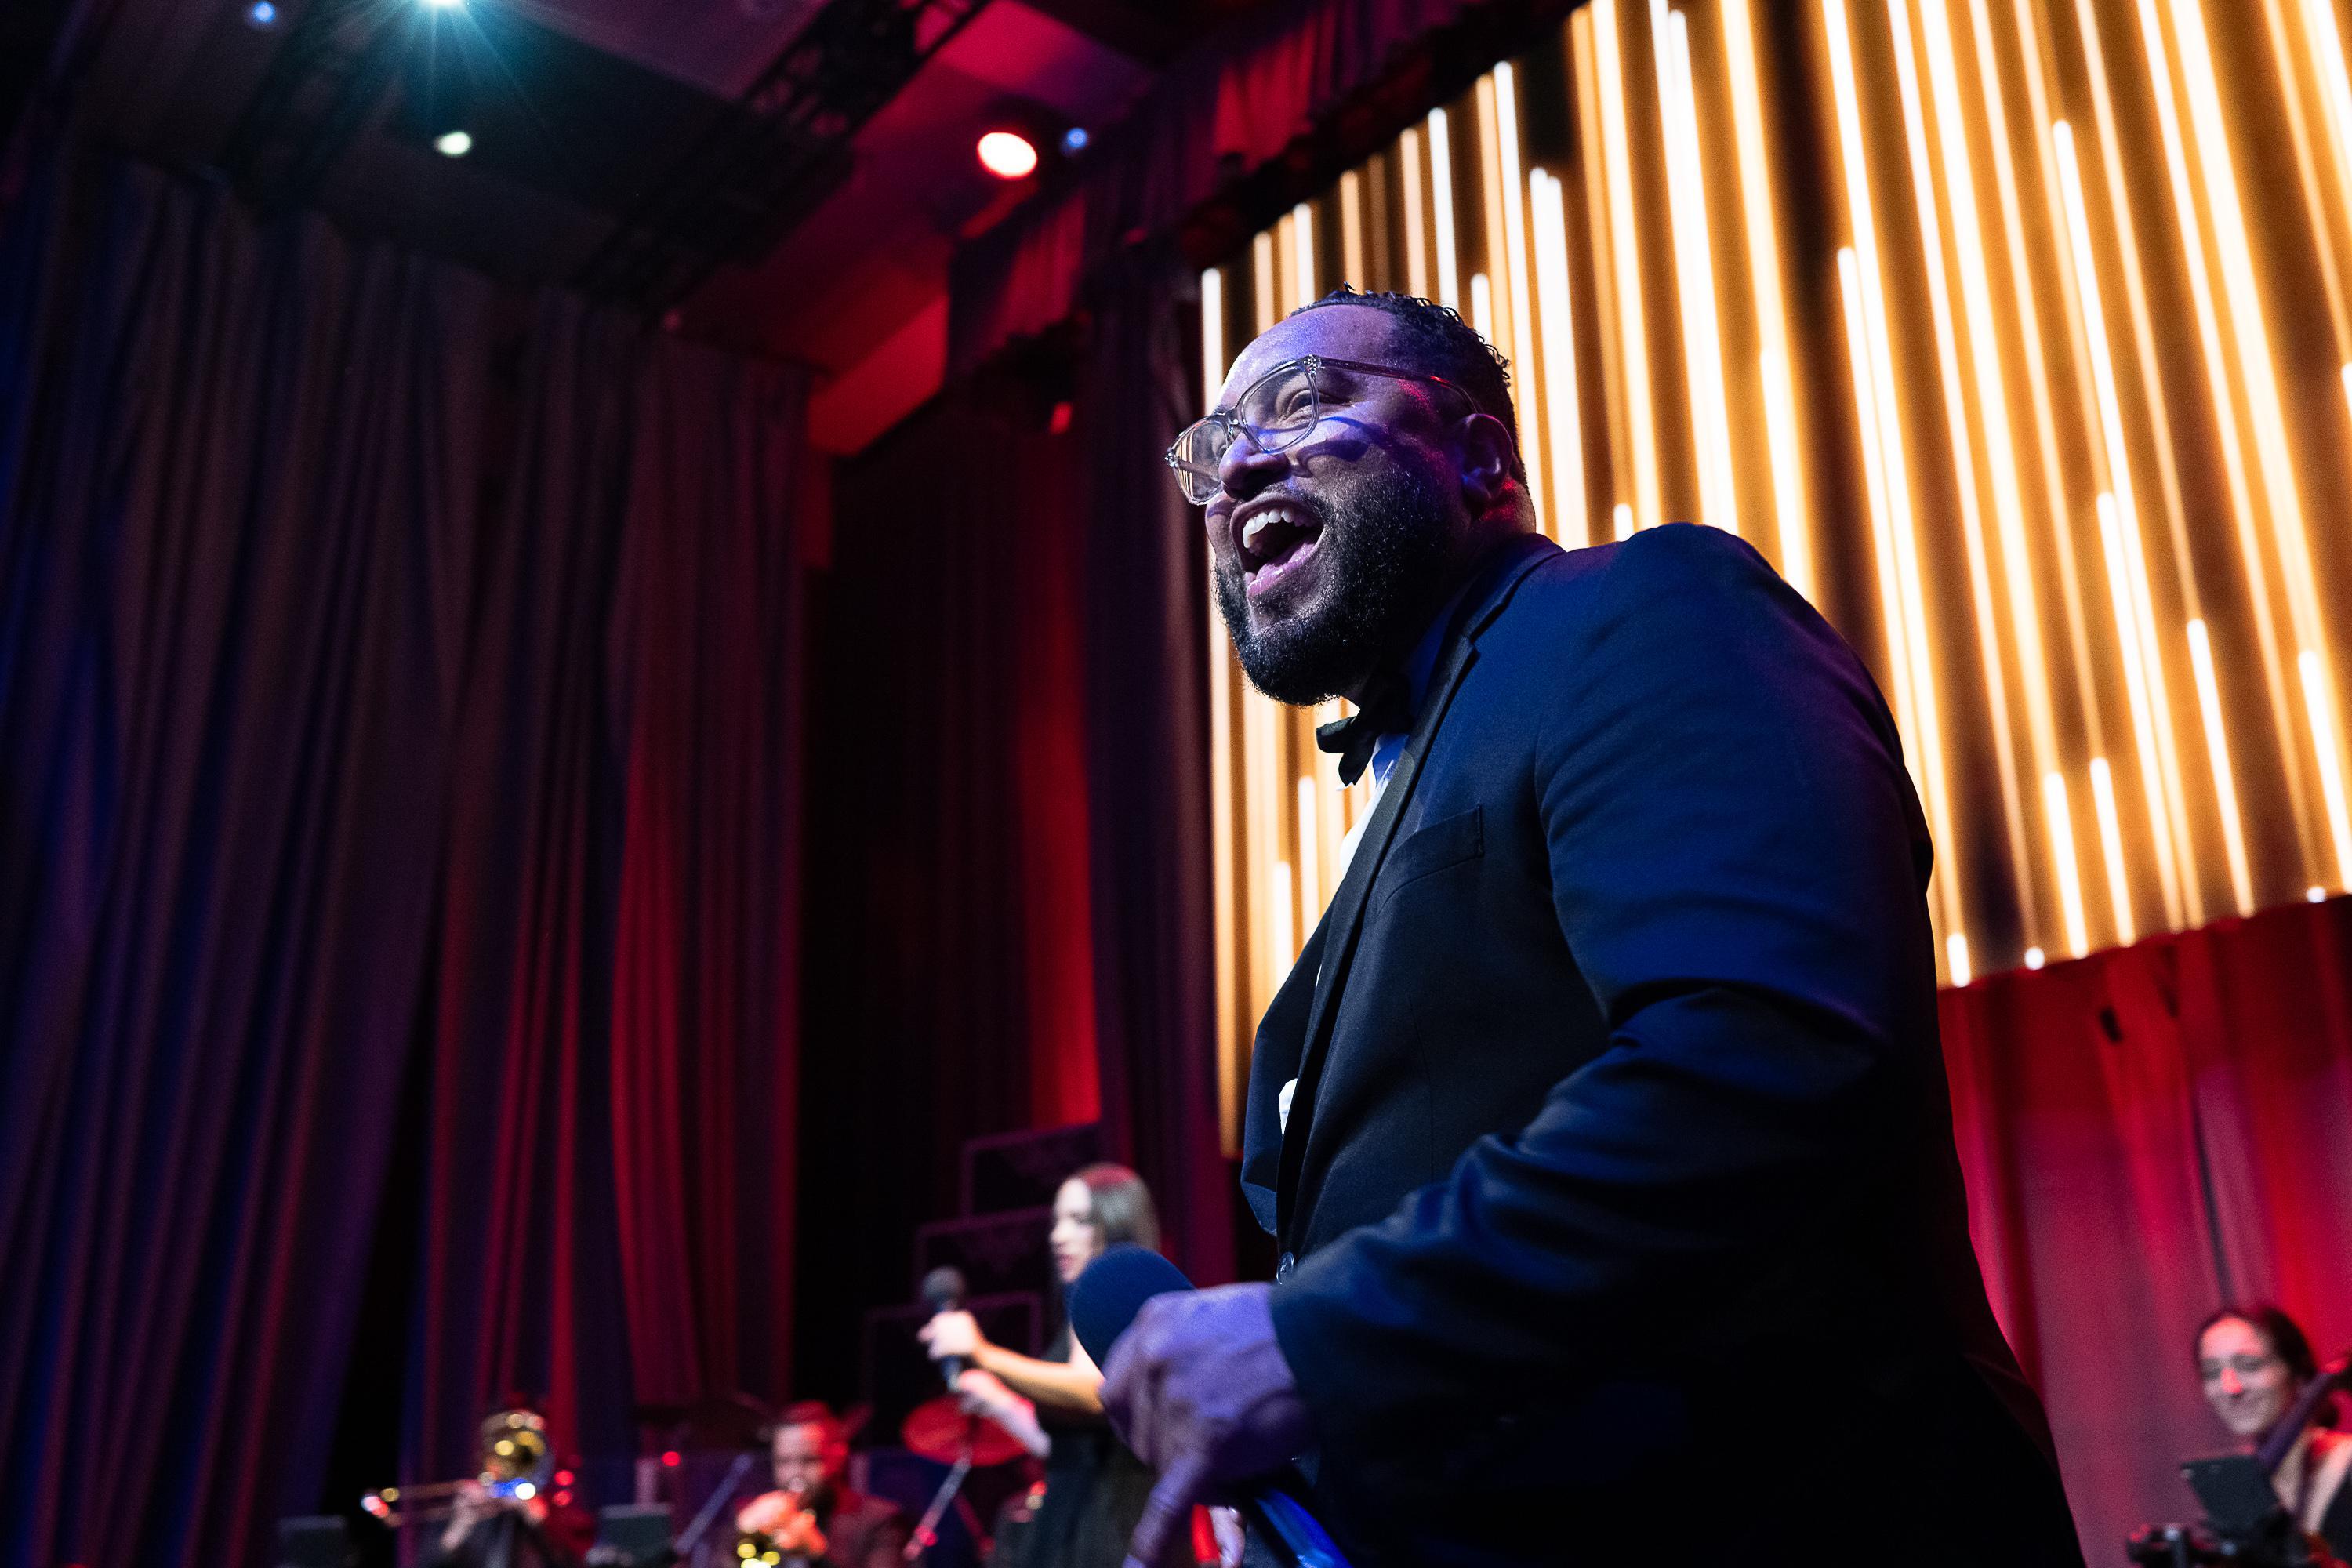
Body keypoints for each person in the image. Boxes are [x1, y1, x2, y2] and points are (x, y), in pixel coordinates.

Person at [1097, 286, 2085, 1566]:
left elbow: (1766, 1056)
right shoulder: (1426, 756)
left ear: (1481, 456)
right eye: (1217, 447)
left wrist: (1322, 1341)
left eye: (1307, 401)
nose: (1242, 468)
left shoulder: (1642, 607)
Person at [920, 1165, 1163, 1567]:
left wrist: (983, 1353)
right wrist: (1000, 1403)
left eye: (1079, 1220)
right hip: (1073, 1516)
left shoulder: (1120, 1302)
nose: (1057, 1236)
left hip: (1112, 1525)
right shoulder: (1079, 1313)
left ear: (1118, 1223)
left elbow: (1095, 1391)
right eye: (1056, 1221)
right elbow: (1069, 1448)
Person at [2199, 1305, 2352, 1553]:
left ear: (2297, 1373)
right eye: (2212, 1373)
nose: (2231, 1387)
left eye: (2249, 1365)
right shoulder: (2237, 1487)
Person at [731, 1402, 908, 1568]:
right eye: (783, 1461)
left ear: (838, 1457)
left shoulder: (880, 1520)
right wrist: (736, 1539)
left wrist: (817, 1552)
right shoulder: (757, 1512)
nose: (795, 1473)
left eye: (809, 1460)